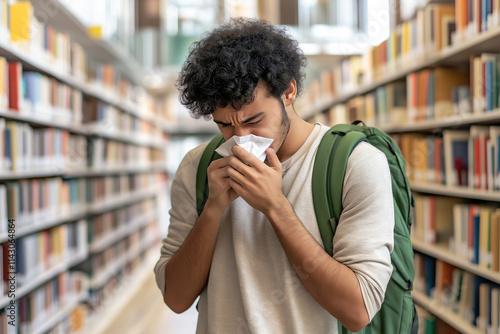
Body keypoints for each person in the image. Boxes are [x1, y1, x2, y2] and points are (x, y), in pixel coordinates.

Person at [154, 18, 394, 333]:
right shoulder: (197, 167)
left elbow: (358, 310)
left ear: (289, 91)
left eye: (254, 120)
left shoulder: (357, 164)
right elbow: (176, 299)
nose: (239, 139)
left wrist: (275, 206)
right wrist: (213, 208)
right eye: (225, 125)